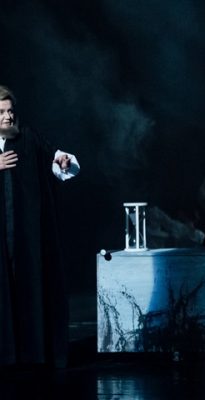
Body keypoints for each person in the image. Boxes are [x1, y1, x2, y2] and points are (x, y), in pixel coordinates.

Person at [0, 85, 80, 368]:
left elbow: (55, 157)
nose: (8, 117)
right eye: (1, 112)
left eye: (10, 111)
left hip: (24, 233)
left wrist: (63, 161)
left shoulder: (27, 137)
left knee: (29, 287)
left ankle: (30, 353)